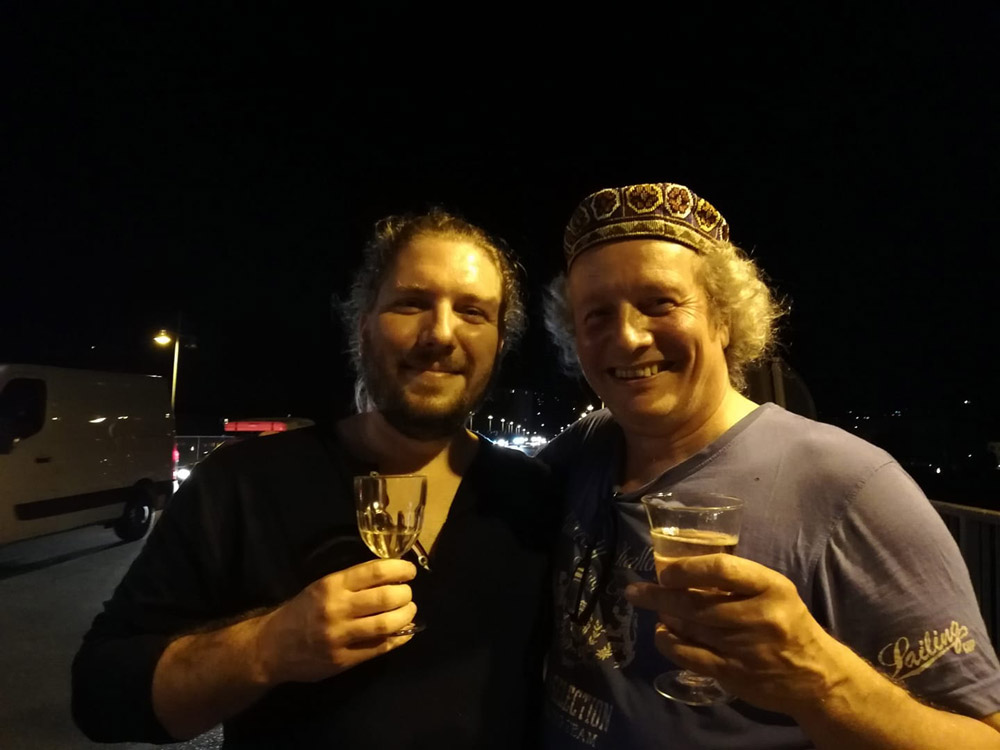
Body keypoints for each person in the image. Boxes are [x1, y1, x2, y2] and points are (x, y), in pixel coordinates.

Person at [539, 181, 1000, 748]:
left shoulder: (849, 486)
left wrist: (822, 681)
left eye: (660, 303)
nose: (629, 337)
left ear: (725, 318)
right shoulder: (584, 448)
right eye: (596, 315)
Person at [72, 209, 554, 749]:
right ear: (363, 325)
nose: (440, 333)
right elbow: (100, 695)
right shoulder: (239, 484)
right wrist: (266, 647)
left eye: (472, 311)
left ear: (499, 342)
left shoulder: (537, 497)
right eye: (411, 303)